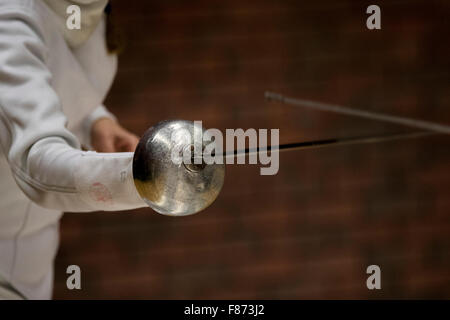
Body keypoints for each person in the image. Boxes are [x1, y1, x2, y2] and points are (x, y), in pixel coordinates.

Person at [0, 0, 147, 299]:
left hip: (34, 250)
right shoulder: (10, 17)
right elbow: (36, 160)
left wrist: (95, 119)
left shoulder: (89, 9)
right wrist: (143, 177)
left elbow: (51, 72)